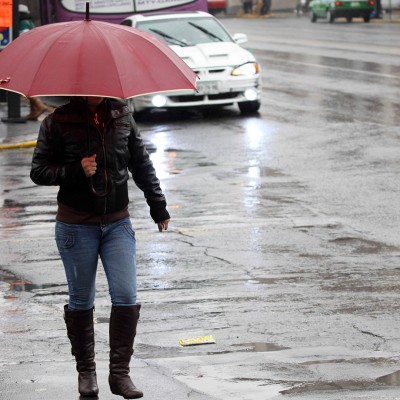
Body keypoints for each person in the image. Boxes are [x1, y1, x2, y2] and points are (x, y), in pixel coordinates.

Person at [30, 96, 170, 399]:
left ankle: (120, 375)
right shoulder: (57, 122)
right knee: (81, 300)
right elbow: (38, 170)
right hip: (76, 224)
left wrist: (157, 204)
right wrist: (75, 170)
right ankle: (86, 373)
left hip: (117, 222)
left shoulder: (122, 116)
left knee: (126, 295)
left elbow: (141, 162)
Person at [18, 4, 52, 121]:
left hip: (24, 57)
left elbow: (23, 40)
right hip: (31, 57)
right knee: (27, 84)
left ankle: (38, 105)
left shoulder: (23, 24)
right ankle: (34, 110)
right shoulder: (29, 22)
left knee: (21, 84)